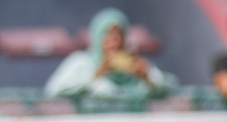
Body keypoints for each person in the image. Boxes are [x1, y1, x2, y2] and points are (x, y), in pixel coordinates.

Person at [44, 7, 176, 104]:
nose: (114, 43)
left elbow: (172, 88)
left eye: (119, 36)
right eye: (107, 36)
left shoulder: (134, 64)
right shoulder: (81, 63)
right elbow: (53, 92)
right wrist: (96, 75)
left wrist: (147, 78)